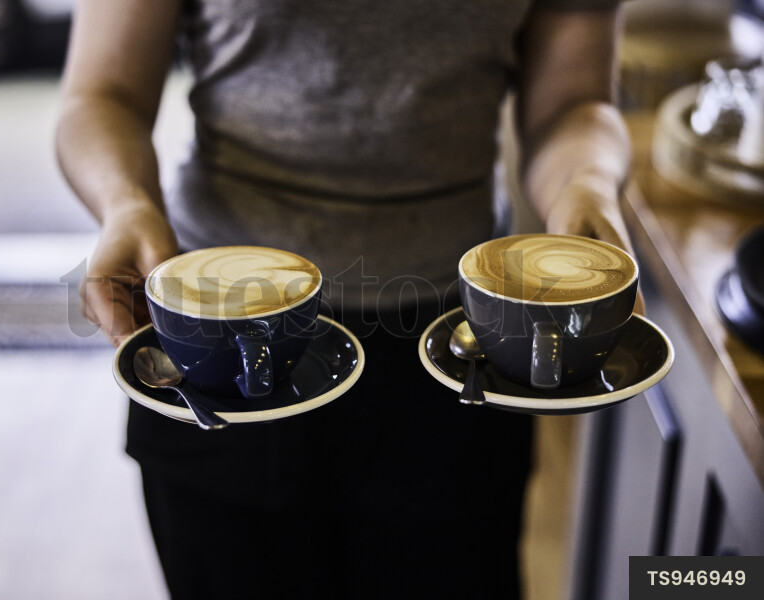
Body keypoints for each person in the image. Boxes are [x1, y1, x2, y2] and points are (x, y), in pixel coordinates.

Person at [55, 1, 636, 598]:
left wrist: (584, 183)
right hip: (220, 335)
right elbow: (102, 94)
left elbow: (573, 102)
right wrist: (125, 203)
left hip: (458, 344)